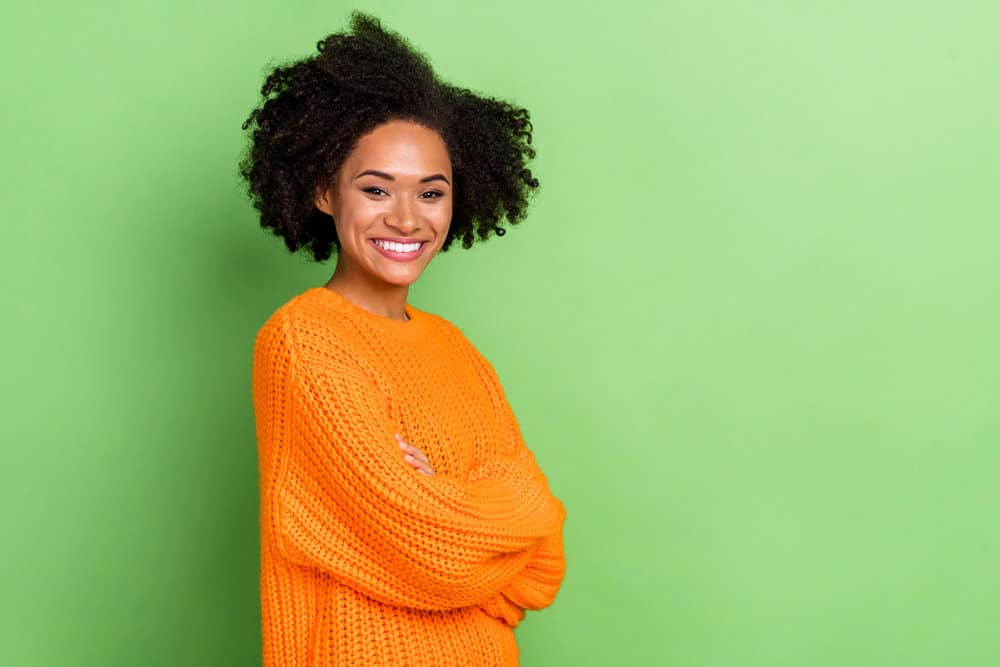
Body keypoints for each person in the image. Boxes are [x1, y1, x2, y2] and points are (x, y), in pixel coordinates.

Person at [241, 13, 567, 666]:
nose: (406, 218)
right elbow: (435, 556)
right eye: (376, 188)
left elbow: (546, 559)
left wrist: (449, 498)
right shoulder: (304, 343)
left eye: (432, 192)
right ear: (323, 190)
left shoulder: (457, 350)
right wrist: (498, 507)